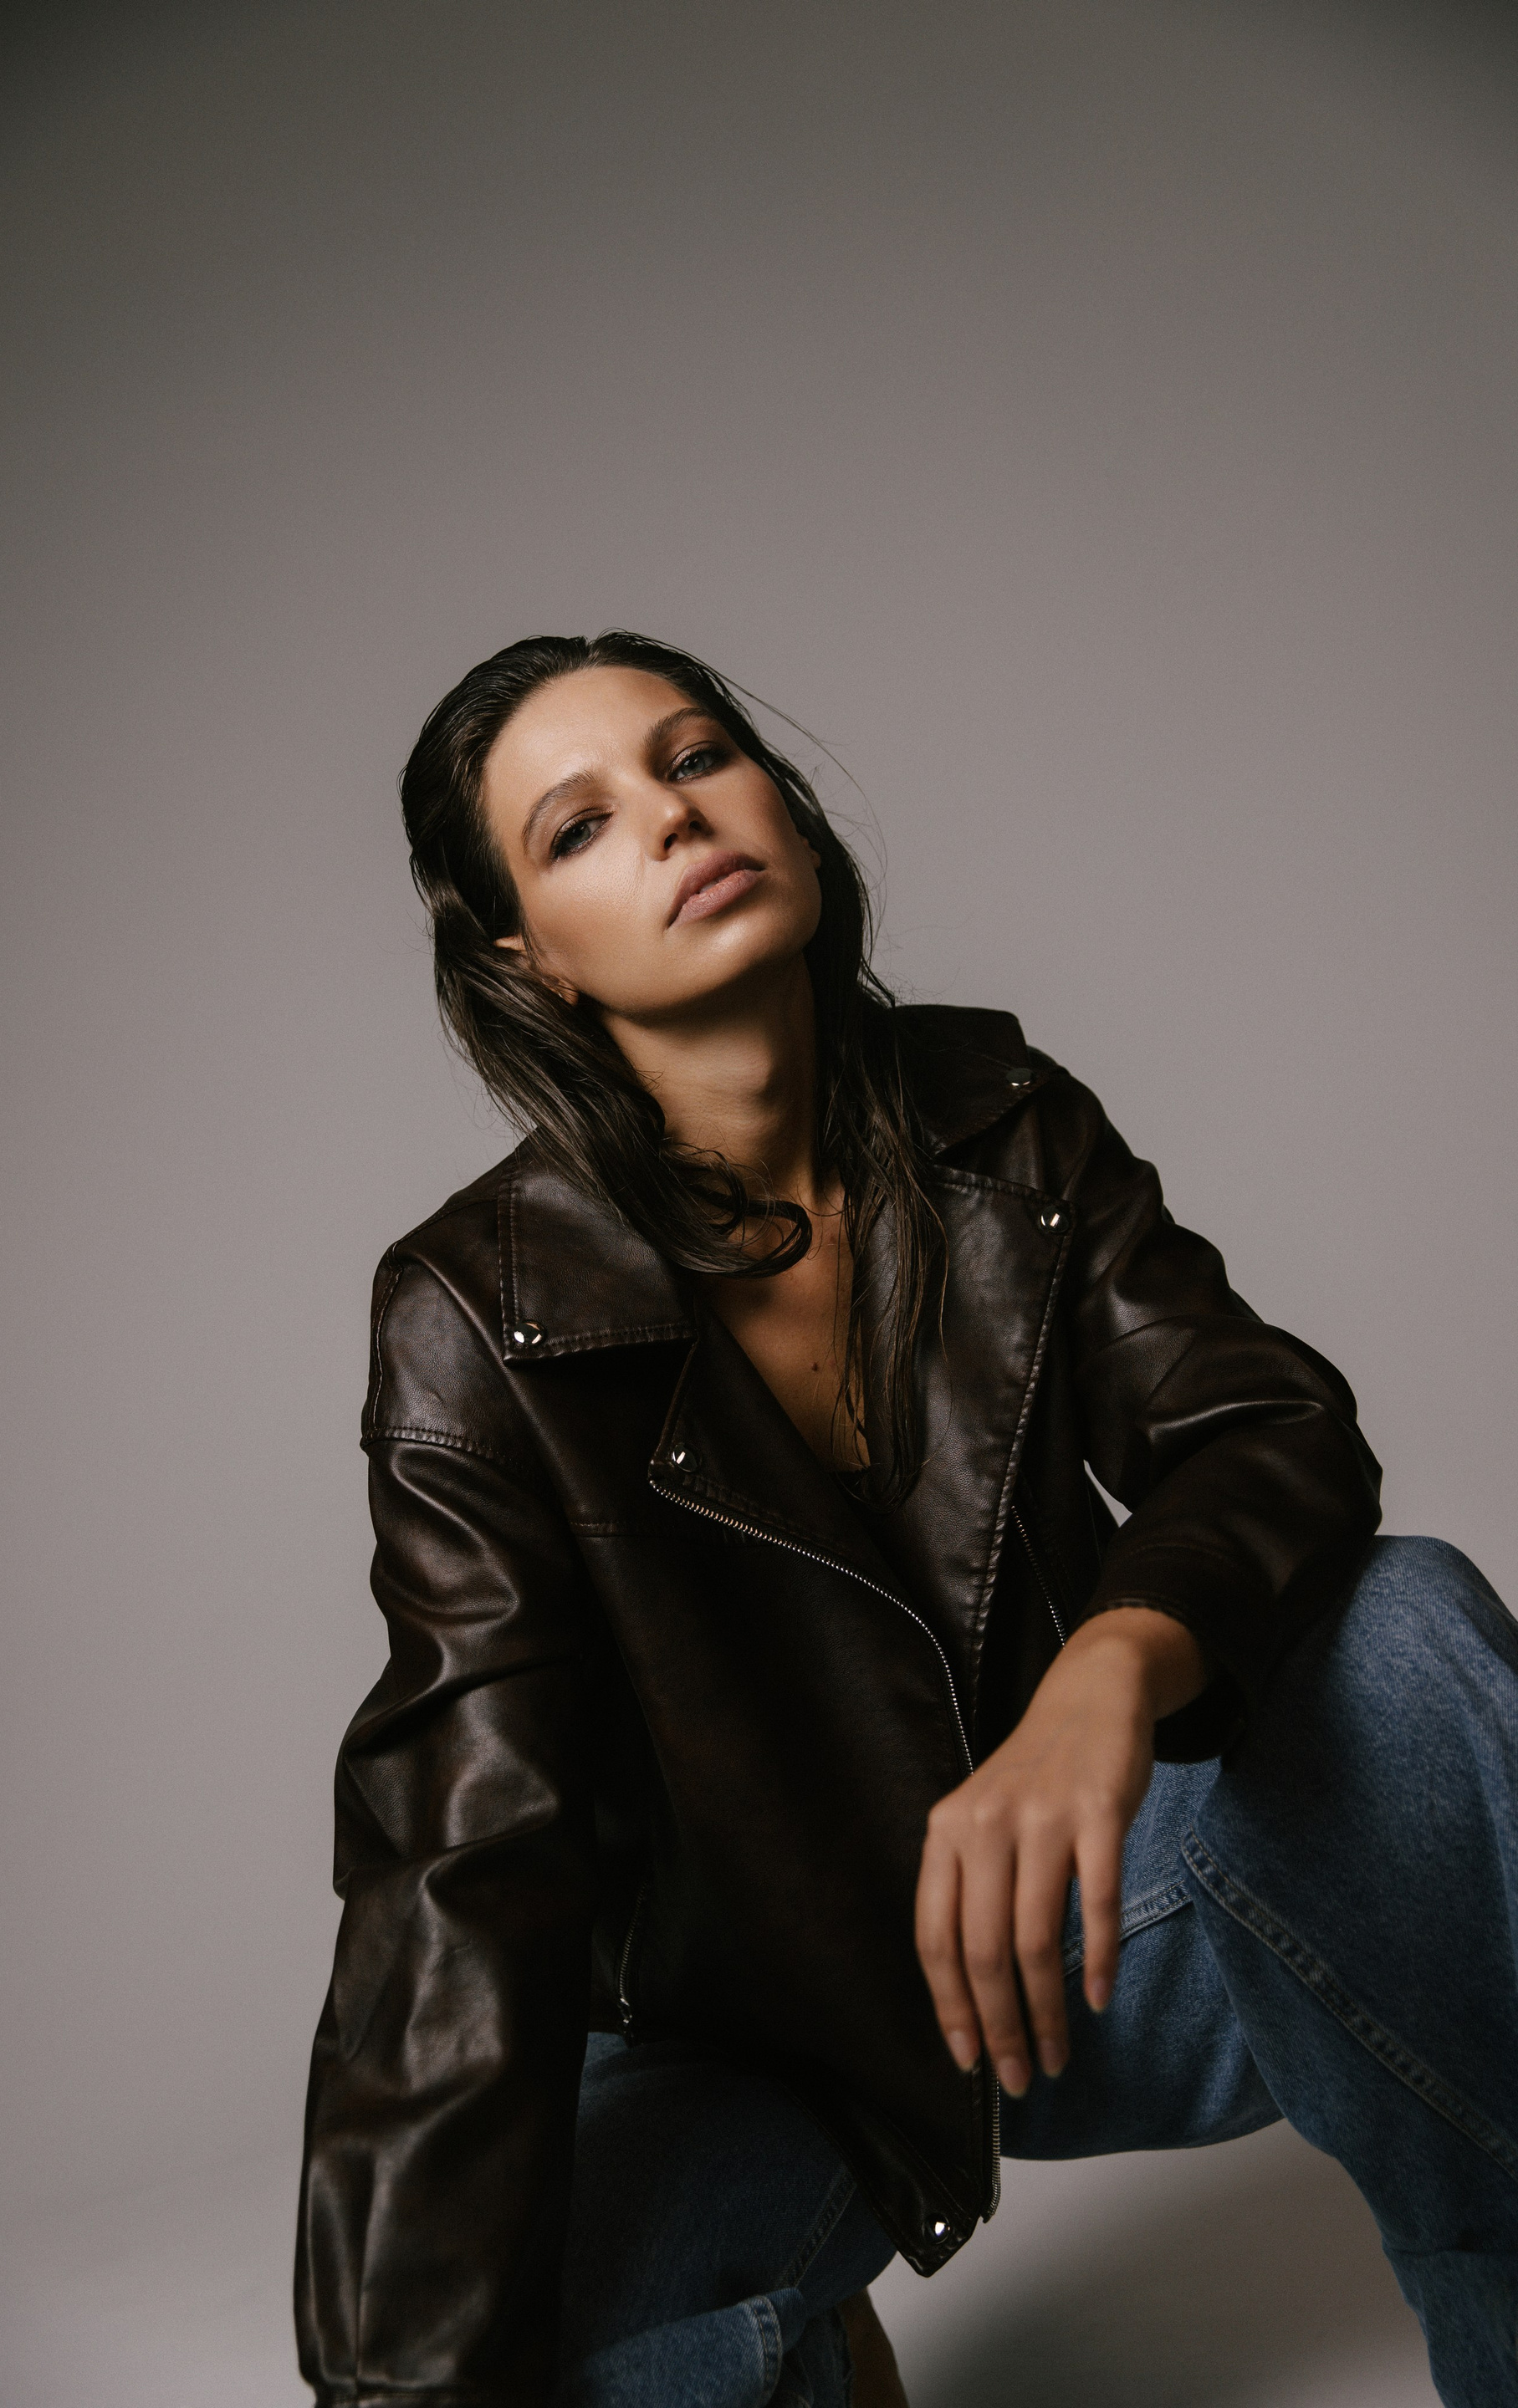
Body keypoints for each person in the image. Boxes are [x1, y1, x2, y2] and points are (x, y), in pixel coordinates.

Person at [294, 631, 1518, 2408]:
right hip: (748, 2043)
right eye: (579, 827)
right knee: (575, 2363)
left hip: (1078, 1935)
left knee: (1403, 1634)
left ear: (778, 802)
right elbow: (460, 1858)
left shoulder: (997, 1117)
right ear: (524, 954)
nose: (673, 817)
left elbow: (1262, 1426)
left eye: (697, 756)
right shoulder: (478, 1317)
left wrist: (1111, 1673)